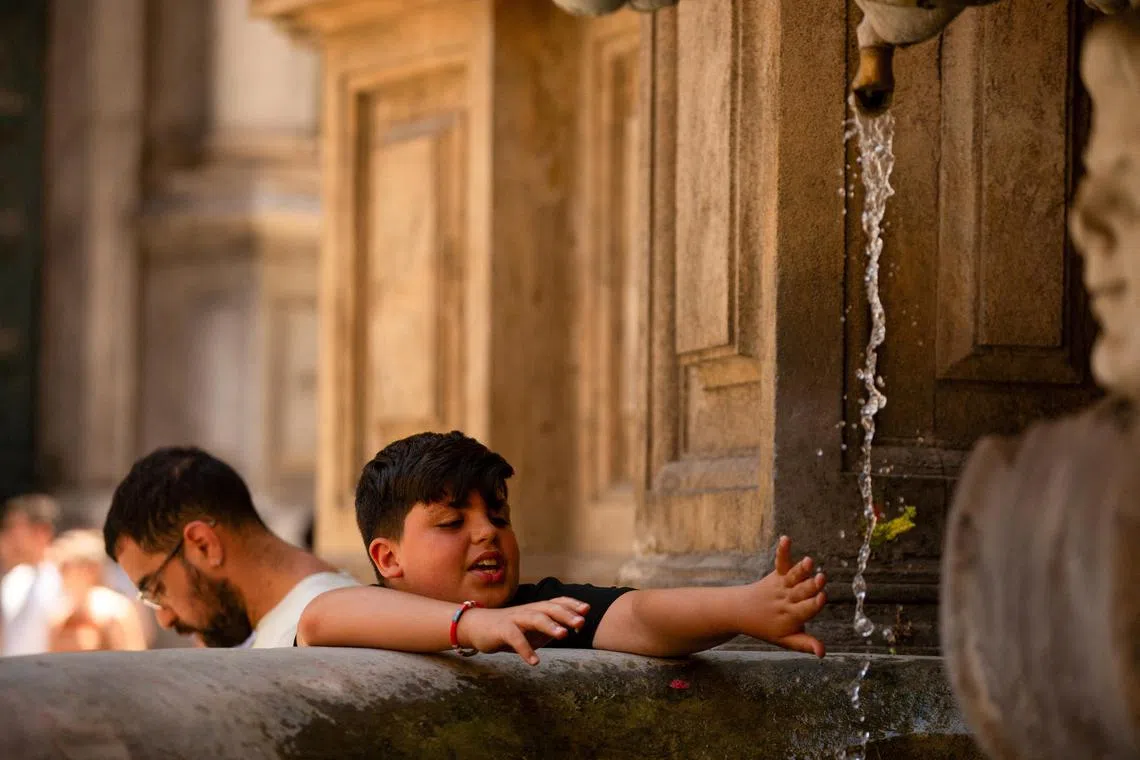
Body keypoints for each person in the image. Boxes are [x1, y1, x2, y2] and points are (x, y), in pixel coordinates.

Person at [297, 431, 827, 664]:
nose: (488, 533)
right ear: (388, 559)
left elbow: (640, 615)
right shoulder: (370, 614)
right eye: (453, 521)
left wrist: (743, 607)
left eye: (498, 516)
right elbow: (321, 617)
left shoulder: (535, 611)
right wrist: (471, 625)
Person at [103, 447, 357, 648]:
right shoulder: (301, 626)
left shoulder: (317, 635)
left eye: (157, 590)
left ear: (204, 545)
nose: (165, 620)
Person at [48, 529, 148, 652]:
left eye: (67, 566)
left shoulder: (116, 610)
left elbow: (131, 658)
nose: (62, 573)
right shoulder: (58, 614)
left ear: (91, 569)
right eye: (61, 567)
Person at [0, 494, 63, 656]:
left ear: (42, 531)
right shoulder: (13, 580)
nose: (7, 538)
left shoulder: (70, 579)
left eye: (13, 528)